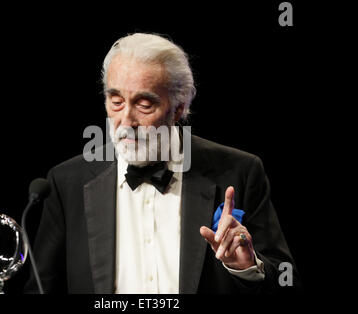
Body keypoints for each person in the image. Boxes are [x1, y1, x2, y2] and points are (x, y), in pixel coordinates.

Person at [24, 33, 300, 294]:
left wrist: (248, 268)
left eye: (144, 105)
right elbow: (40, 288)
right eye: (116, 101)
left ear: (179, 107)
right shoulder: (66, 182)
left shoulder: (240, 172)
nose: (126, 121)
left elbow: (287, 281)